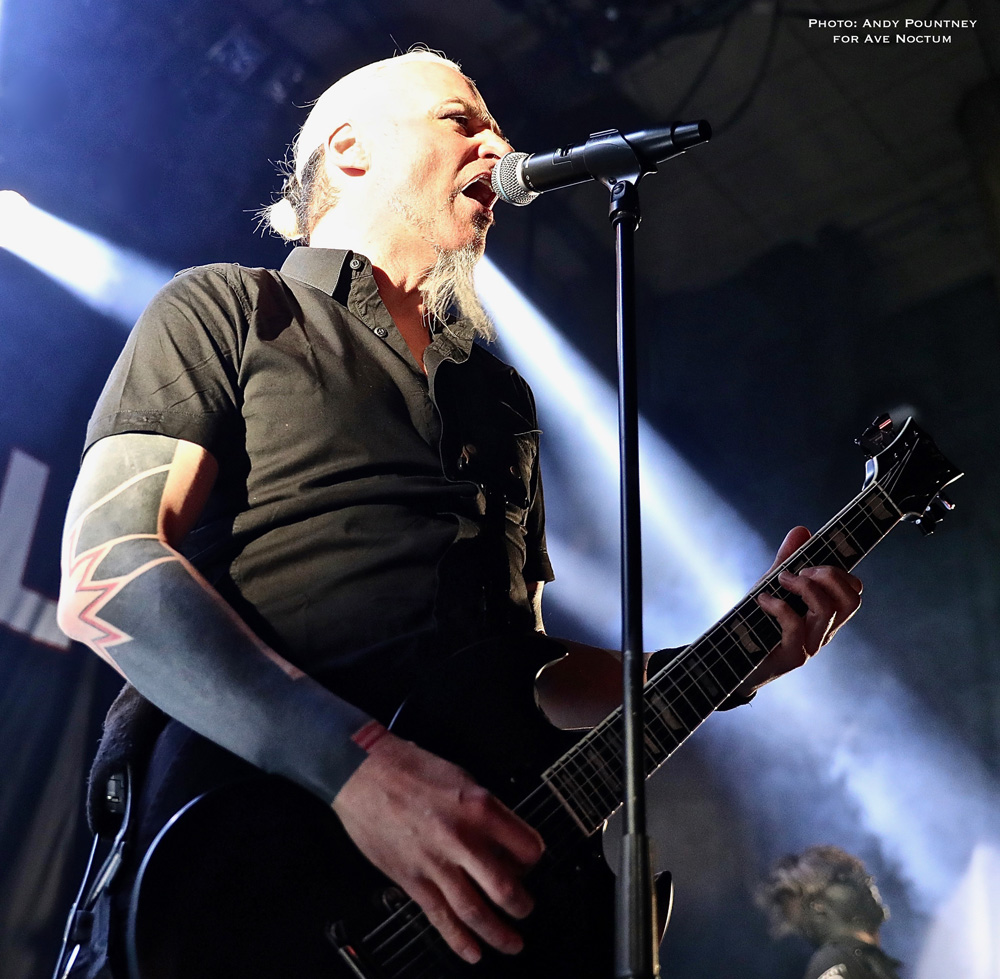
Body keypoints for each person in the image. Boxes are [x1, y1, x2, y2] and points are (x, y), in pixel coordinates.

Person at [56, 49, 863, 976]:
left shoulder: (498, 400)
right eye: (462, 120)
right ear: (350, 150)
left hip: (449, 917)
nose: (500, 148)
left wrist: (724, 665)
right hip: (242, 882)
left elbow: (523, 680)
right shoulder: (230, 309)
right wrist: (359, 767)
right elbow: (106, 574)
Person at [757, 846, 902, 979]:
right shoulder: (834, 962)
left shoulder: (864, 963)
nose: (867, 879)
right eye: (845, 878)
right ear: (819, 907)